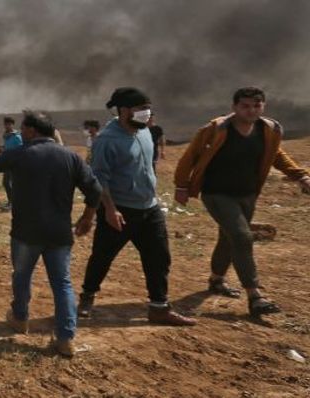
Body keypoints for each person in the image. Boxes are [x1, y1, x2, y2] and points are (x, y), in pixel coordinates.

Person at [0, 111, 101, 357]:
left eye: (23, 128)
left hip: (26, 233)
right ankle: (66, 339)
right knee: (62, 284)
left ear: (31, 130)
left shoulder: (22, 154)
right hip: (59, 234)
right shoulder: (71, 157)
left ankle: (20, 318)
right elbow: (95, 190)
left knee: (21, 275)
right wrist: (87, 218)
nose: (21, 132)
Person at [173, 87, 310, 318]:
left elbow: (276, 154)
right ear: (234, 107)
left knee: (228, 238)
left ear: (263, 106)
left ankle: (216, 280)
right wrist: (181, 185)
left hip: (247, 194)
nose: (251, 111)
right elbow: (191, 156)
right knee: (241, 236)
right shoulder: (215, 129)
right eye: (245, 106)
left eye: (256, 106)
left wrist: (301, 175)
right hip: (216, 193)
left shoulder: (268, 129)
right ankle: (255, 295)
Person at [78, 87, 196, 326]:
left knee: (159, 257)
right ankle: (87, 296)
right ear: (123, 111)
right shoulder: (106, 141)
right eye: (140, 108)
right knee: (103, 256)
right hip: (120, 209)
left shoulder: (145, 132)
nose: (146, 113)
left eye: (147, 107)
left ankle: (159, 307)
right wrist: (110, 210)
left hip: (149, 207)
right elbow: (100, 178)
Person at [0, 117, 24, 210]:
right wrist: (2, 149)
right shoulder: (6, 136)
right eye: (6, 124)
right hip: (7, 161)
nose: (7, 126)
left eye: (9, 124)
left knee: (9, 183)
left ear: (12, 125)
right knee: (7, 183)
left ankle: (13, 203)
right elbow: (7, 147)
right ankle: (11, 202)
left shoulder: (17, 136)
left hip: (14, 162)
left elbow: (21, 149)